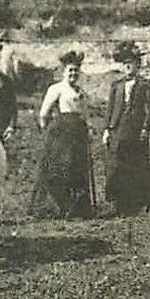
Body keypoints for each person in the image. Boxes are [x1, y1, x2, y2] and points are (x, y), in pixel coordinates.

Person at [102, 42, 150, 216]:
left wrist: (145, 129)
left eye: (131, 63)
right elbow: (110, 109)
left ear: (138, 65)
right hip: (117, 129)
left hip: (135, 130)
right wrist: (107, 129)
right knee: (116, 165)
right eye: (125, 63)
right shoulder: (116, 85)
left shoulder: (146, 85)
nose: (127, 66)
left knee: (139, 164)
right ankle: (121, 202)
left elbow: (149, 110)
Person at [29, 50, 95, 220]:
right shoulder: (56, 88)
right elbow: (43, 114)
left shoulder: (81, 91)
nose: (73, 74)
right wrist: (49, 132)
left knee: (77, 169)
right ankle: (59, 206)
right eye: (70, 70)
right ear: (63, 71)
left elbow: (85, 115)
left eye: (76, 70)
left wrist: (89, 130)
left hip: (78, 134)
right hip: (60, 134)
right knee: (59, 168)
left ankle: (77, 209)